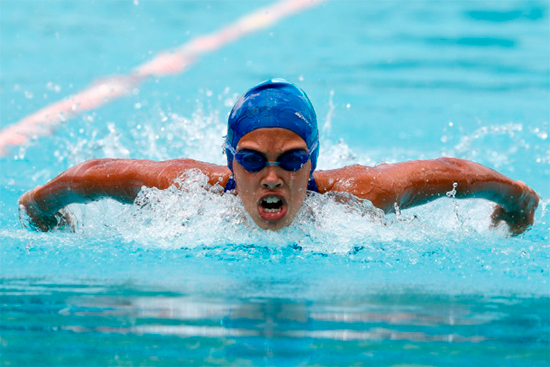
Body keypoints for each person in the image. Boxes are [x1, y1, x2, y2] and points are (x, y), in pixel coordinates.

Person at [19, 79, 539, 235]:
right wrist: (47, 215)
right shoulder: (186, 191)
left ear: (313, 164)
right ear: (228, 163)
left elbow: (459, 174)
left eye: (291, 161)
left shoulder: (359, 196)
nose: (271, 177)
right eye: (251, 160)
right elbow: (86, 177)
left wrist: (518, 202)